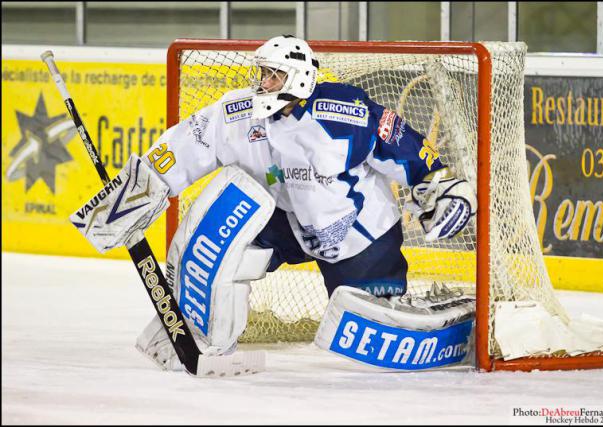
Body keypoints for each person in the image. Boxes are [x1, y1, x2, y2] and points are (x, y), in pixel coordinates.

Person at [73, 35, 477, 370]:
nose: (262, 82)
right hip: (284, 222)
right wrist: (134, 193)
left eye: (273, 74)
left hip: (359, 233)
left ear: (298, 78)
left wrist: (437, 186)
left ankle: (428, 319)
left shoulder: (344, 111)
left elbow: (400, 144)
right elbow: (186, 145)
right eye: (262, 73)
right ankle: (200, 332)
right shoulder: (237, 113)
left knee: (367, 330)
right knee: (221, 246)